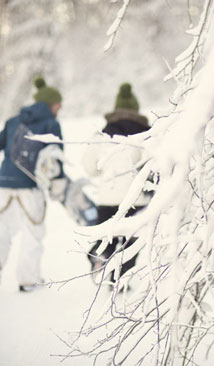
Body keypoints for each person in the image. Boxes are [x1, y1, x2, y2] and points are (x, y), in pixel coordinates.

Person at [0, 77, 64, 292]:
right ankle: (28, 279)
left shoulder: (13, 121)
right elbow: (56, 156)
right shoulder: (51, 123)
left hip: (4, 184)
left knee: (3, 226)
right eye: (58, 104)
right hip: (30, 185)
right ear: (50, 104)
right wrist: (58, 183)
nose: (60, 108)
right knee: (32, 231)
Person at [82, 82, 151, 285]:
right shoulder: (145, 134)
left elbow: (89, 167)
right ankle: (120, 279)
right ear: (136, 109)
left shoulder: (101, 135)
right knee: (131, 244)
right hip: (135, 199)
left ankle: (99, 255)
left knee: (108, 238)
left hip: (107, 199)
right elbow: (152, 165)